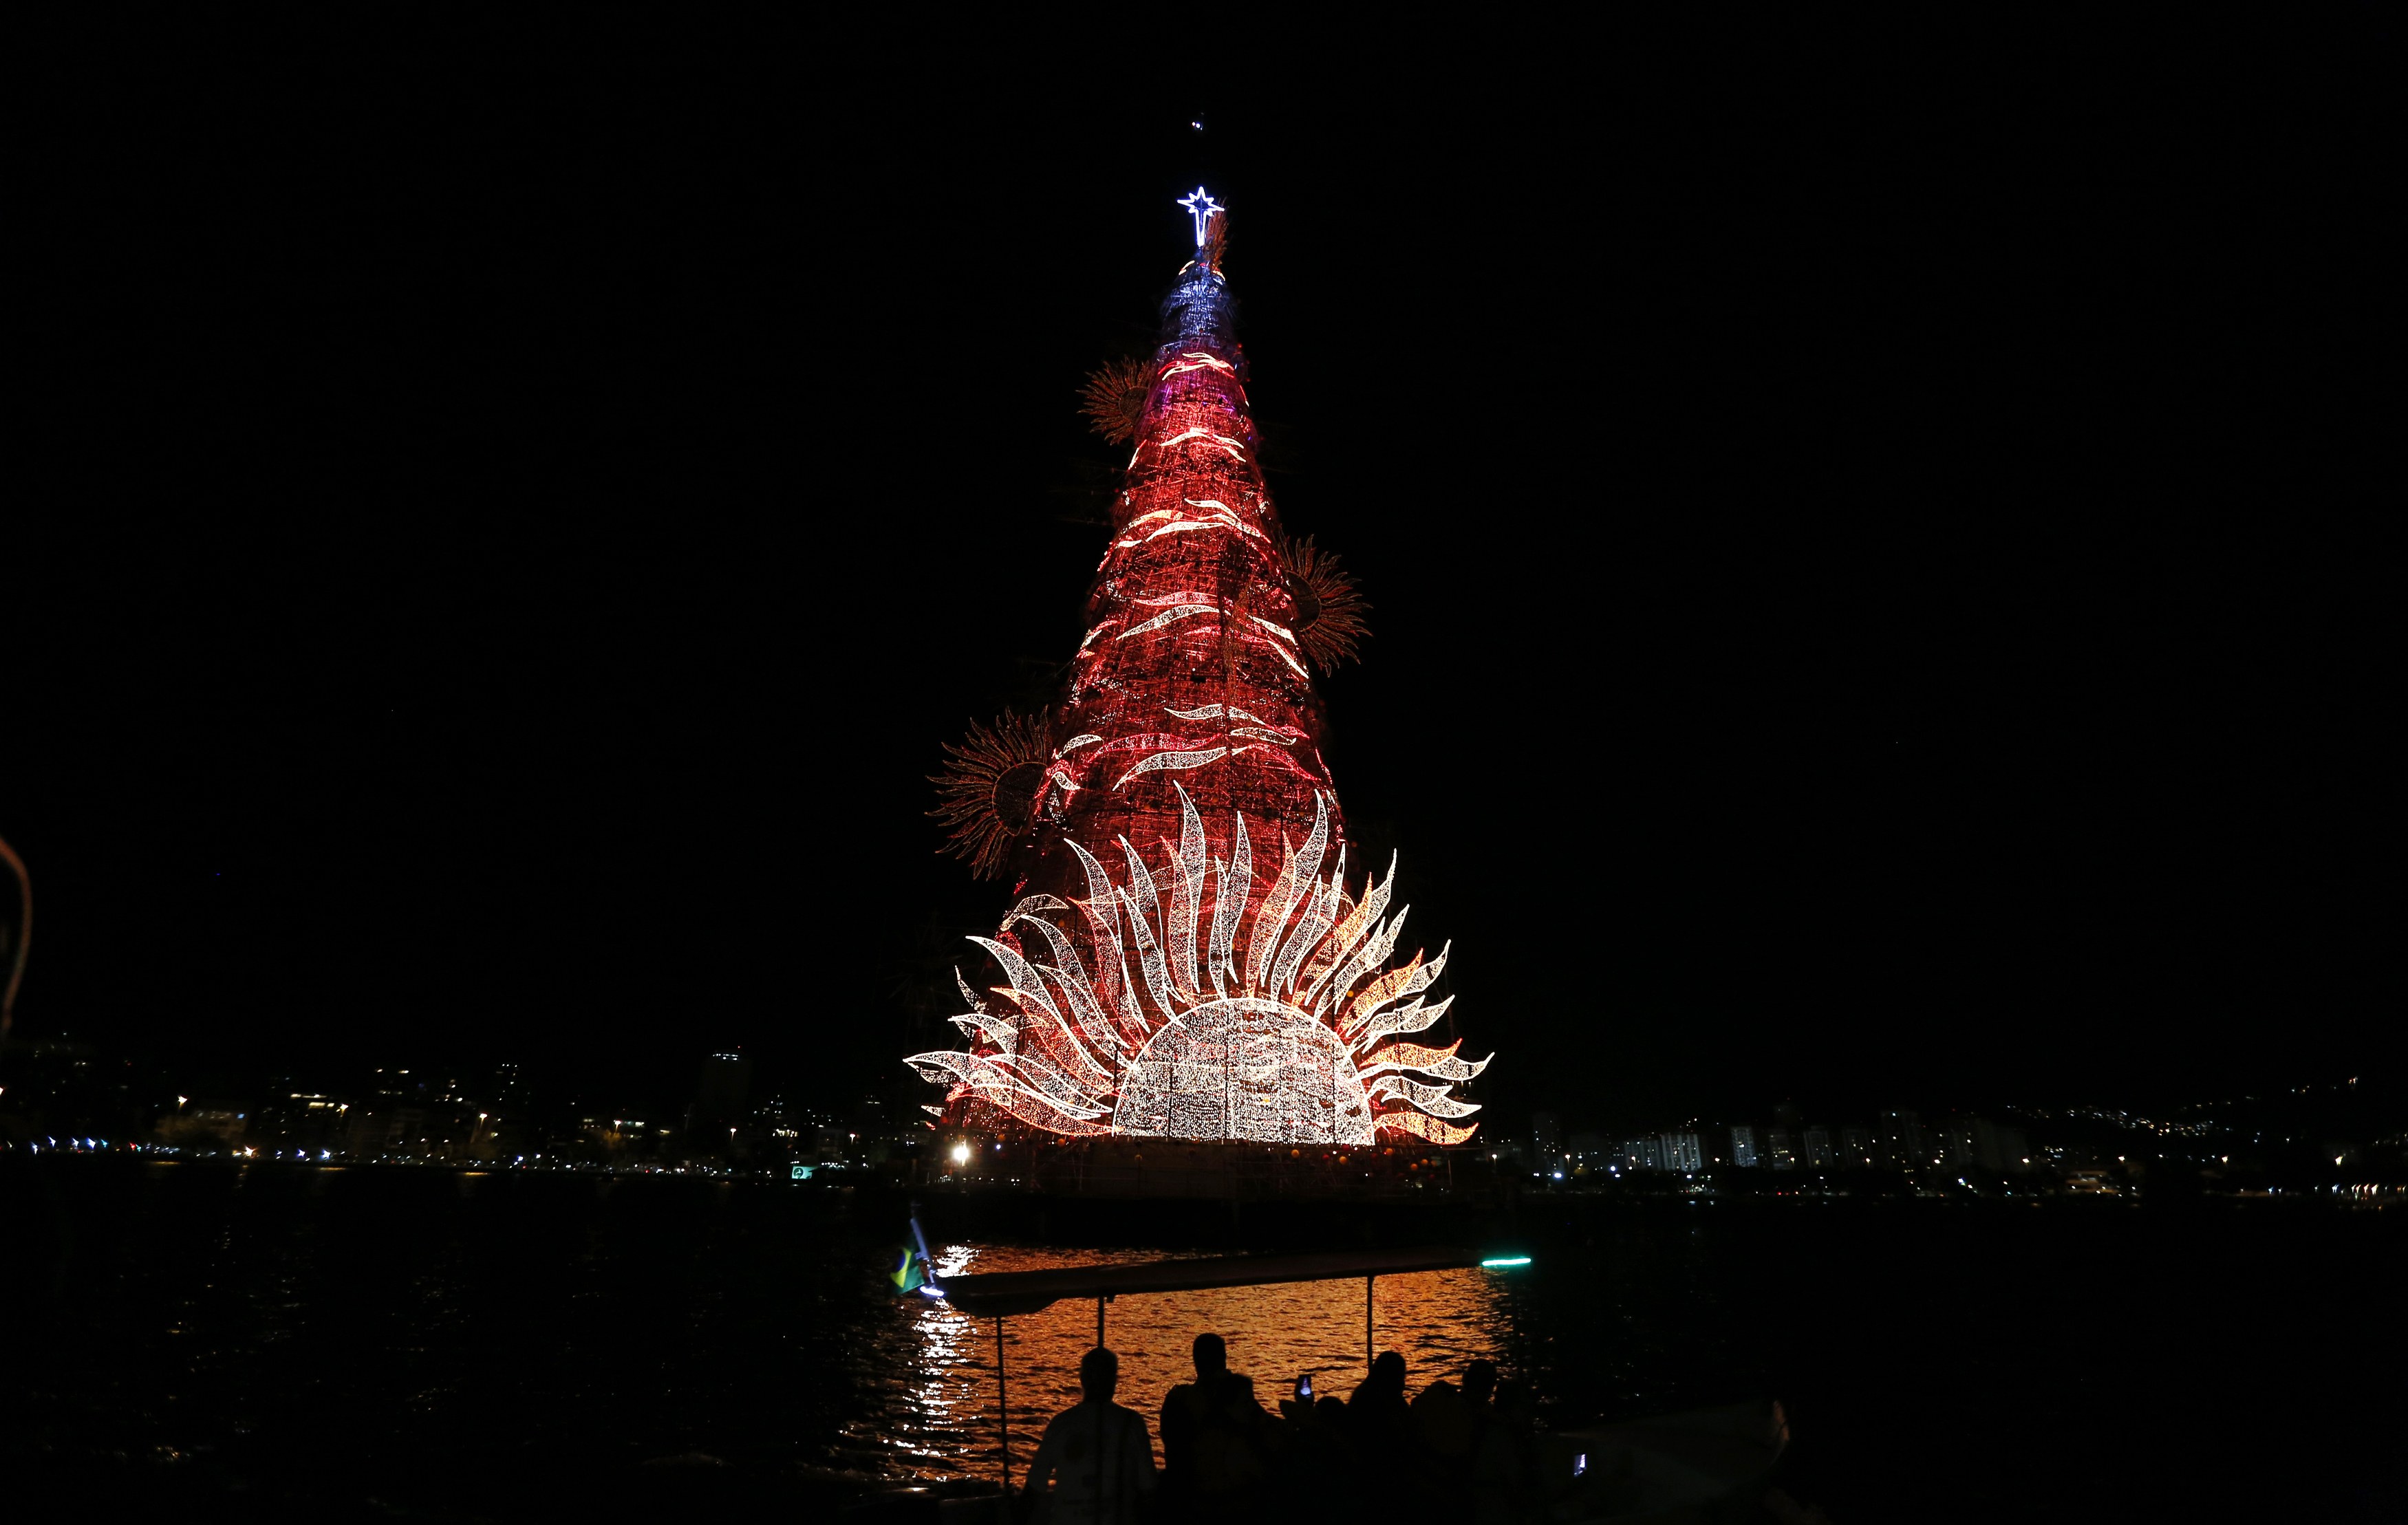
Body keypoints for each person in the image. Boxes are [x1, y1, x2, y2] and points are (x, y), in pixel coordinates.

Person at [1022, 1347, 1154, 1525]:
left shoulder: (1061, 1424)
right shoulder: (1132, 1424)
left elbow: (1034, 1487)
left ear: (1082, 1380)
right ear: (1114, 1381)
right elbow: (1149, 1489)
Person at [1159, 1332, 1271, 1514]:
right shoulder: (1234, 1399)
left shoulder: (1177, 1399)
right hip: (1223, 1500)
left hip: (1186, 1498)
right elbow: (1266, 1431)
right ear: (1223, 1360)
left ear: (1196, 1362)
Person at [1346, 1350, 1413, 1453]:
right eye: (1400, 1378)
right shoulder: (1372, 1401)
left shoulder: (1390, 1398)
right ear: (1388, 1378)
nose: (1403, 1384)